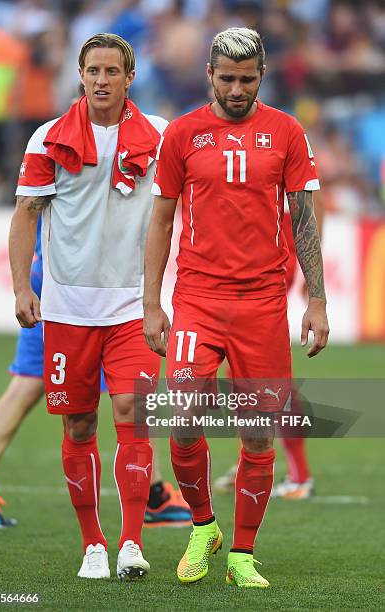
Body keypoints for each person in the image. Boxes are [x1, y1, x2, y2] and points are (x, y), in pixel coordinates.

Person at [143, 27, 329, 588]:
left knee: (257, 434)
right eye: (227, 78)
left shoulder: (288, 132)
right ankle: (203, 526)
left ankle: (242, 554)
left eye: (247, 79)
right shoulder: (180, 134)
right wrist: (151, 302)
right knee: (183, 421)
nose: (237, 89)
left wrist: (316, 300)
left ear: (261, 77)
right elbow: (160, 221)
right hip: (197, 299)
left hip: (263, 305)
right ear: (209, 75)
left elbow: (304, 220)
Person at [9, 32, 168, 581]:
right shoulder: (48, 137)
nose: (101, 79)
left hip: (132, 308)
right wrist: (21, 289)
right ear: (80, 74)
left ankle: (130, 542)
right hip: (67, 309)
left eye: (112, 71)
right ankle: (92, 544)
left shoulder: (162, 138)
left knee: (132, 416)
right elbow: (26, 216)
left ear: (130, 77)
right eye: (92, 70)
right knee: (79, 425)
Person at [0, 222, 191, 530]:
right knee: (132, 392)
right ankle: (153, 497)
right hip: (80, 288)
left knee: (28, 385)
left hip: (55, 278)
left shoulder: (49, 177)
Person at [215, 190, 325, 499]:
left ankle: (296, 473)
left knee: (259, 372)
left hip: (271, 258)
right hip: (256, 253)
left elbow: (316, 205)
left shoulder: (291, 142)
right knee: (242, 369)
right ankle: (252, 459)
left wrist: (311, 271)